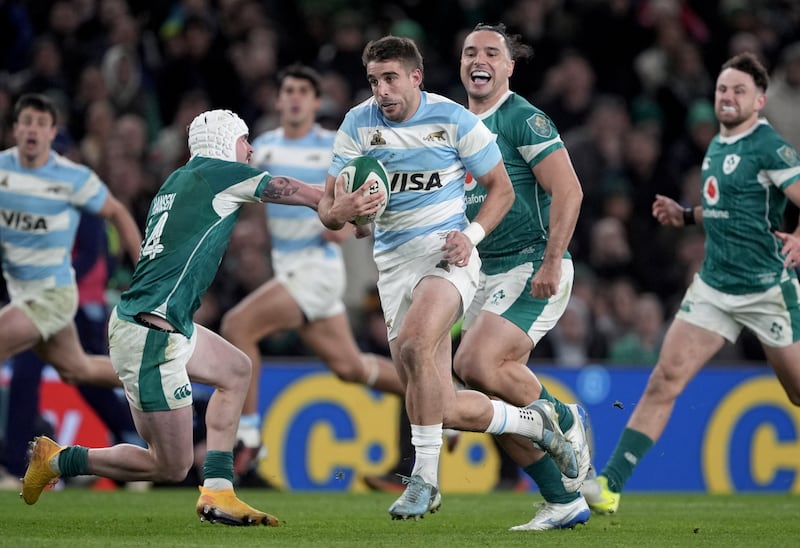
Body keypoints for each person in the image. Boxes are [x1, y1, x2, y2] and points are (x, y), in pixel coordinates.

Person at [20, 109, 324, 527]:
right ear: (223, 142)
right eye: (244, 139)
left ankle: (219, 490)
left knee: (236, 370)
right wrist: (338, 201)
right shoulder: (218, 172)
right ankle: (58, 460)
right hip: (151, 336)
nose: (251, 148)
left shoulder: (177, 179)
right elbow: (291, 190)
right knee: (170, 466)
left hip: (163, 324)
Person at [318, 35, 579, 521]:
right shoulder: (357, 123)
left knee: (418, 343)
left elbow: (500, 189)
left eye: (391, 78)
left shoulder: (453, 119)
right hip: (393, 266)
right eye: (374, 80)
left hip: (447, 256)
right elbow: (328, 210)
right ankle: (533, 423)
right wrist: (344, 211)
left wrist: (471, 236)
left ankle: (424, 481)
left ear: (416, 77)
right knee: (444, 404)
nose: (382, 90)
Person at [585, 52, 800, 514]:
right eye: (723, 88)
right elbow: (732, 208)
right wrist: (685, 215)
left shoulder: (768, 146)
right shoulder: (719, 145)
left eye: (739, 90)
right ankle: (610, 486)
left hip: (767, 289)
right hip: (714, 288)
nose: (728, 96)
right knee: (665, 379)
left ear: (760, 100)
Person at [219, 64, 405, 476]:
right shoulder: (262, 147)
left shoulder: (333, 147)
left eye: (304, 90)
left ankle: (248, 434)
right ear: (279, 99)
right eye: (289, 90)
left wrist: (354, 223)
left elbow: (371, 194)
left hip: (317, 270)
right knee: (351, 368)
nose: (296, 97)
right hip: (287, 270)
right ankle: (436, 394)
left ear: (316, 102)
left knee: (237, 326)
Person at [451, 24, 591, 531]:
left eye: (492, 52)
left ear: (509, 66)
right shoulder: (454, 123)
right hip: (481, 271)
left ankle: (566, 418)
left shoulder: (521, 119)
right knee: (491, 394)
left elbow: (569, 191)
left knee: (474, 360)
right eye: (470, 52)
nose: (479, 59)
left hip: (531, 262)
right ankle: (563, 500)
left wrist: (552, 260)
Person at [0, 93, 141, 389]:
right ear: (16, 129)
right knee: (78, 368)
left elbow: (117, 212)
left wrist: (144, 272)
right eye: (26, 122)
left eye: (41, 123)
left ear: (52, 132)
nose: (33, 129)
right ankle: (153, 380)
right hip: (20, 292)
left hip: (52, 295)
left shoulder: (73, 178)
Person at [3, 213, 144, 488]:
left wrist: (51, 283)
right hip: (37, 302)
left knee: (84, 377)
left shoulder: (79, 196)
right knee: (25, 377)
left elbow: (92, 253)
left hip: (79, 303)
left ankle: (135, 440)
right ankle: (12, 467)